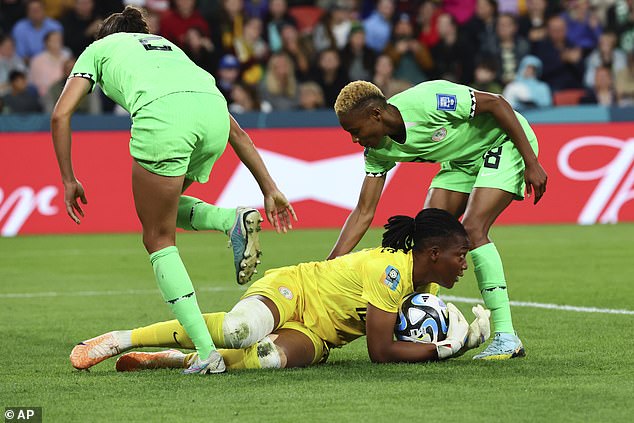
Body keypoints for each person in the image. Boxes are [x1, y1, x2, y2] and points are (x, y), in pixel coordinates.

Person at [52, 6, 296, 376]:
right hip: (213, 113)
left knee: (157, 237)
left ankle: (205, 353)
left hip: (166, 120)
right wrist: (270, 188)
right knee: (163, 211)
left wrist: (69, 178)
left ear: (106, 35)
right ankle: (228, 219)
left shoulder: (100, 49)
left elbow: (61, 114)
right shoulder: (167, 47)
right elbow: (239, 133)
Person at [69, 208, 492, 373]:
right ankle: (117, 340)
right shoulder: (392, 271)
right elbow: (380, 352)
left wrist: (454, 336)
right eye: (460, 254)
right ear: (433, 252)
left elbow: (404, 339)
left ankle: (170, 359)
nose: (464, 263)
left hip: (321, 334)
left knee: (267, 360)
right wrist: (446, 349)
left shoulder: (426, 284)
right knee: (240, 331)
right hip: (296, 289)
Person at [328, 79, 548, 360]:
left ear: (376, 115)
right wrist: (328, 267)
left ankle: (506, 336)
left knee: (472, 228)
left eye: (355, 131)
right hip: (462, 161)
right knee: (426, 238)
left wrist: (532, 162)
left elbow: (496, 103)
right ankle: (427, 323)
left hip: (503, 142)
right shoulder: (377, 151)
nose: (354, 140)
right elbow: (363, 212)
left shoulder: (428, 100)